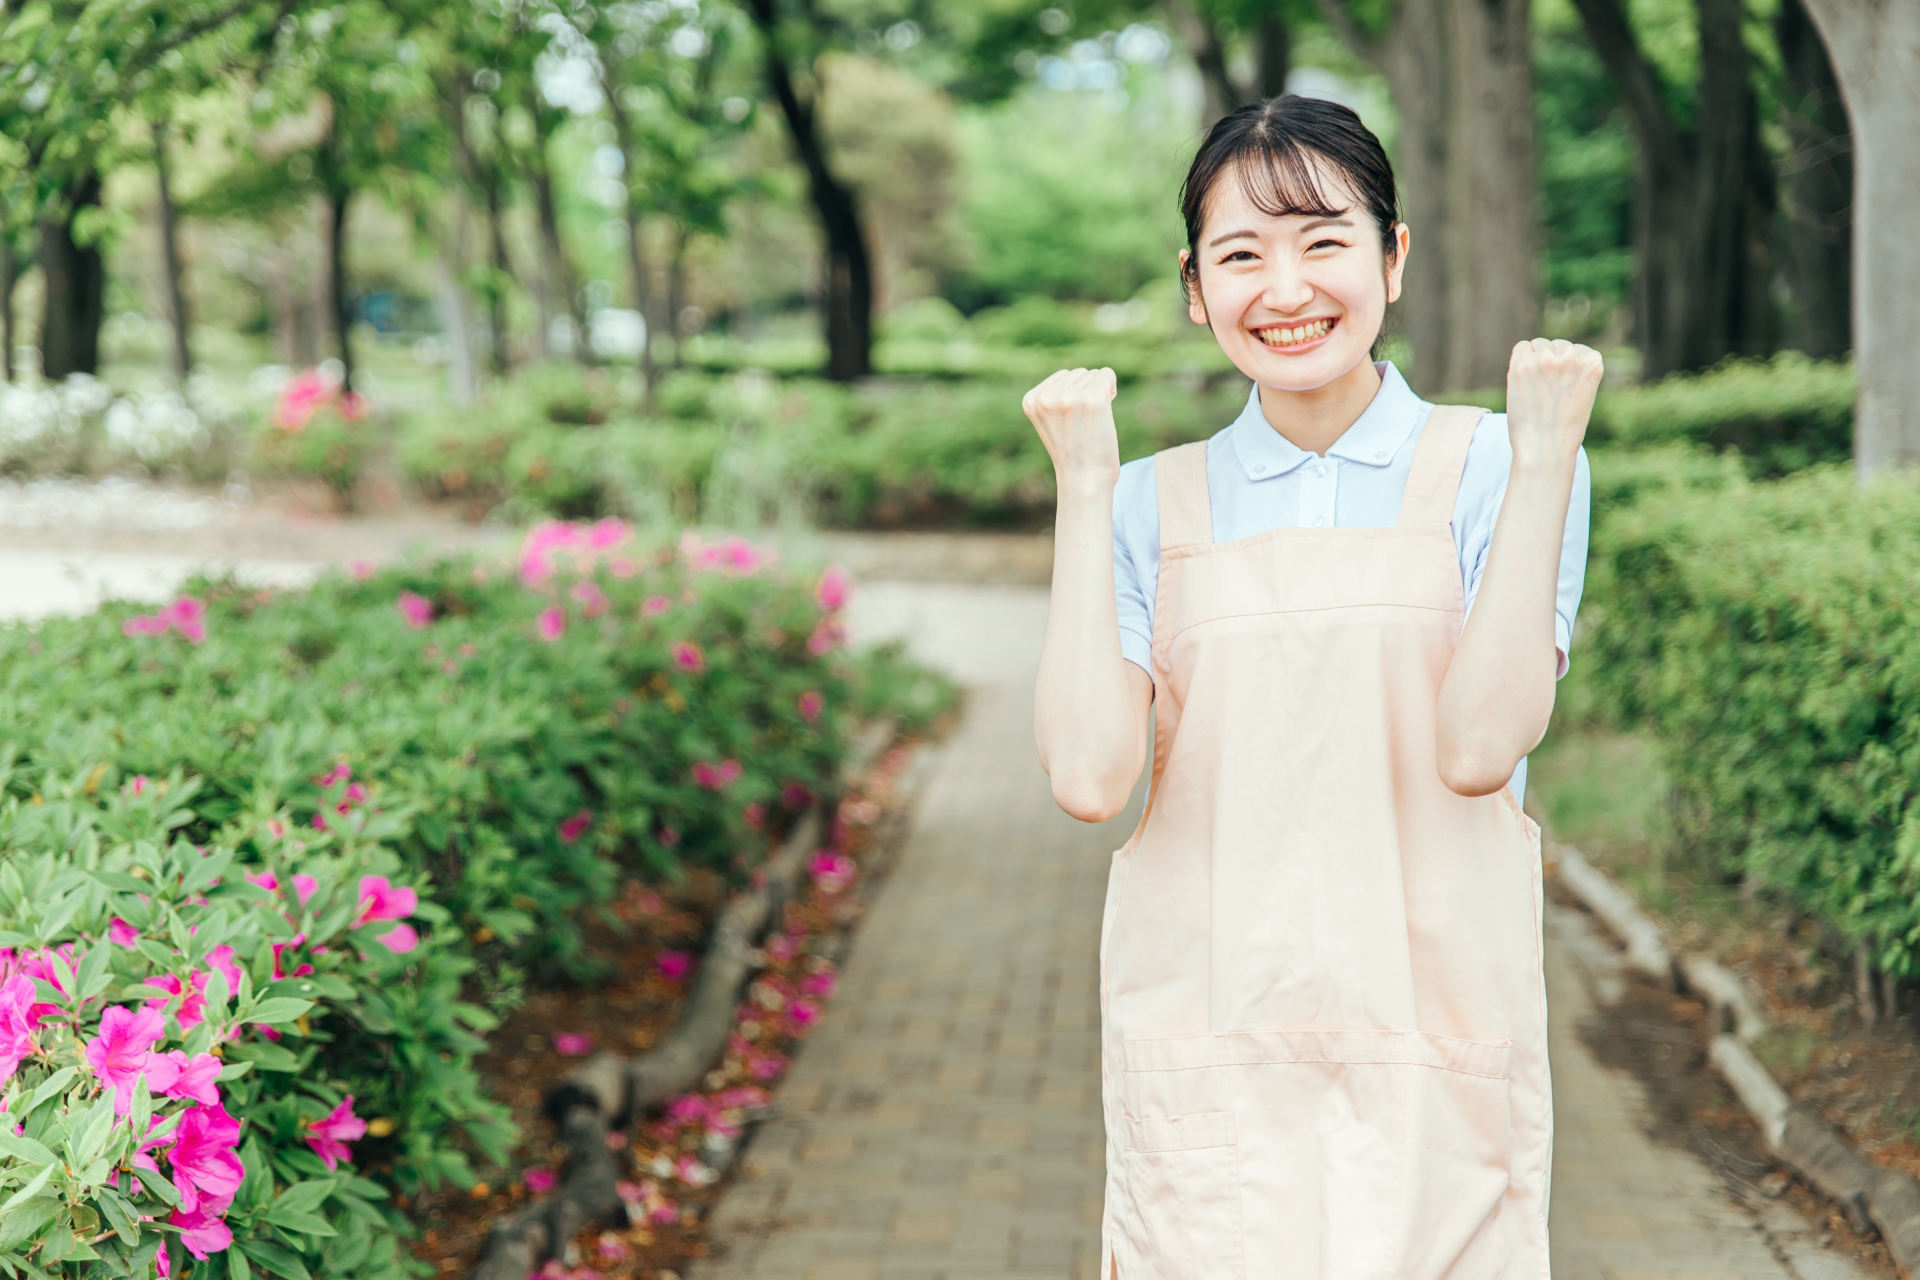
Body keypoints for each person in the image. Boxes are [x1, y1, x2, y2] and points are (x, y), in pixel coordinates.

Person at [1023, 95, 1599, 1278]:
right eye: (1242, 254)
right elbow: (1088, 775)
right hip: (1212, 1047)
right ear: (1196, 286)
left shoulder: (1500, 462)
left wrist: (1545, 463)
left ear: (1393, 256)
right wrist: (1086, 487)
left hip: (1435, 1037)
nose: (1285, 289)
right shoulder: (1145, 500)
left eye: (1323, 240)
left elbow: (1480, 746)